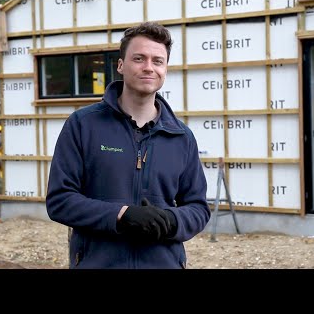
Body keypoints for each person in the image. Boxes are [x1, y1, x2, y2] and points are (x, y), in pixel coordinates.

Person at [46, 21, 211, 269]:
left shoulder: (181, 136)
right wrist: (121, 215)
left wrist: (171, 220)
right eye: (139, 58)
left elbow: (198, 207)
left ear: (165, 69)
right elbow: (60, 201)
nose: (148, 67)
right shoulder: (83, 125)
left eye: (158, 61)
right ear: (121, 65)